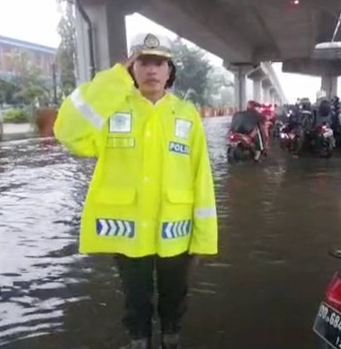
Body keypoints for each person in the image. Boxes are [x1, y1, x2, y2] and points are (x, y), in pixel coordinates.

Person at [53, 33, 218, 349]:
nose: (152, 70)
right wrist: (114, 80)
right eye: (143, 62)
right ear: (132, 68)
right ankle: (138, 341)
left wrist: (204, 238)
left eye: (159, 63)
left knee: (175, 297)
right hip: (128, 231)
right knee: (135, 298)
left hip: (177, 231)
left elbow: (202, 179)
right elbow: (67, 131)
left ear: (169, 71)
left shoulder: (186, 114)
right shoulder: (112, 110)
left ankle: (171, 338)